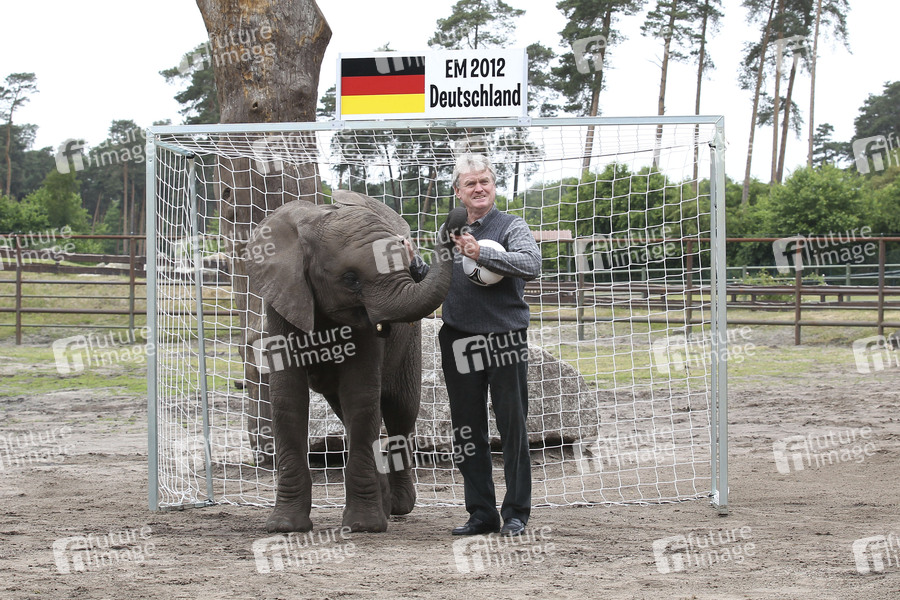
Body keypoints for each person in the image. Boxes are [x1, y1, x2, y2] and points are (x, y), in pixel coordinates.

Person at [411, 153, 541, 537]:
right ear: (458, 191)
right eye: (471, 183)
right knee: (467, 430)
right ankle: (481, 514)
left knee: (512, 425)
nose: (479, 188)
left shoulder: (511, 226)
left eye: (485, 181)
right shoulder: (449, 230)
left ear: (494, 187)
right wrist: (412, 262)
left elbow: (531, 264)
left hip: (505, 337)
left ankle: (516, 513)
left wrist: (480, 252)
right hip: (459, 338)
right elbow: (437, 281)